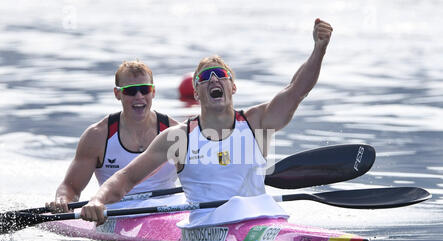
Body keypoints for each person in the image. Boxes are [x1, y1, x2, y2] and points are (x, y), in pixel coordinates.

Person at [80, 18, 333, 226]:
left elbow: (297, 89)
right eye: (205, 77)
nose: (214, 80)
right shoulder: (177, 138)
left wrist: (319, 49)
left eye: (221, 75)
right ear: (197, 92)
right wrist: (98, 201)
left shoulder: (257, 122)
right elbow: (125, 179)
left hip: (264, 222)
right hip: (206, 236)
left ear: (232, 86)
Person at [46, 60, 180, 213]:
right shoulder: (97, 136)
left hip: (167, 212)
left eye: (145, 89)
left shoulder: (175, 132)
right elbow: (71, 187)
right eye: (130, 91)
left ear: (153, 92)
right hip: (117, 213)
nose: (139, 96)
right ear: (117, 94)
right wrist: (62, 200)